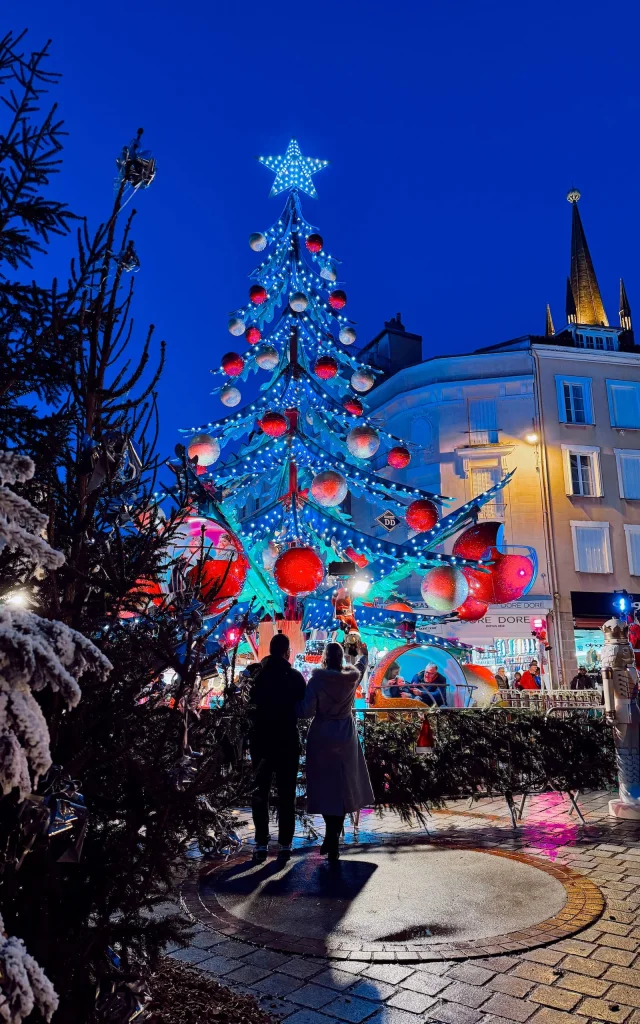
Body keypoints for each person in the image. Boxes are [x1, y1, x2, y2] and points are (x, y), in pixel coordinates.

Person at [298, 640, 374, 861]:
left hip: (321, 735)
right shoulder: (351, 679)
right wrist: (363, 652)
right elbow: (361, 665)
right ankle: (333, 838)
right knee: (342, 786)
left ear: (324, 657)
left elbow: (306, 711)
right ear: (341, 658)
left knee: (324, 786)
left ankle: (330, 835)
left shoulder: (316, 681)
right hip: (346, 735)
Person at [249, 633, 306, 861]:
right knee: (286, 793)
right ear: (287, 652)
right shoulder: (294, 677)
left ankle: (261, 842)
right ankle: (285, 843)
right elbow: (302, 704)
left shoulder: (255, 674)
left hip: (261, 739)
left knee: (260, 793)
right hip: (286, 739)